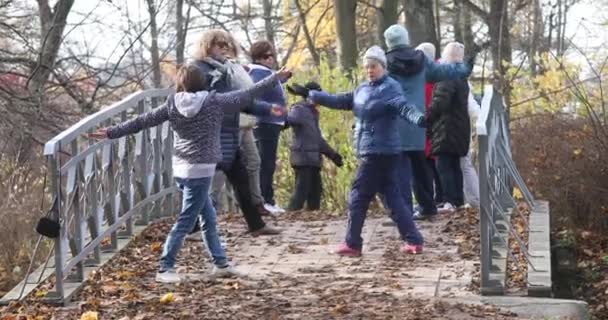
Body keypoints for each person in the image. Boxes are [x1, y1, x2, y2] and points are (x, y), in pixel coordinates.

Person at [88, 64, 291, 283]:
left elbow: (142, 121)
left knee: (209, 218)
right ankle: (165, 268)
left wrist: (111, 132)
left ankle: (220, 264)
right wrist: (275, 78)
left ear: (180, 84)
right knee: (186, 220)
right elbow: (248, 94)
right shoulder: (214, 102)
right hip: (201, 169)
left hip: (181, 168)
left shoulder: (172, 104)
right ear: (203, 82)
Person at [289, 46, 426, 256]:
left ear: (383, 67)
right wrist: (311, 94)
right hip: (374, 151)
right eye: (367, 67)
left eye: (374, 66)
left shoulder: (391, 88)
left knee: (358, 196)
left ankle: (352, 243)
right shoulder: (363, 89)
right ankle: (414, 240)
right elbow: (340, 100)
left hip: (380, 152)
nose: (370, 70)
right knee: (392, 197)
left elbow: (403, 107)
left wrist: (419, 118)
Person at [191, 29, 283, 236]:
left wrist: (267, 109)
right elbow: (198, 101)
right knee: (206, 185)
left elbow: (242, 100)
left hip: (229, 134)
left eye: (227, 44)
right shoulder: (198, 70)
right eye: (219, 44)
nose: (224, 49)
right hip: (209, 136)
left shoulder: (228, 69)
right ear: (207, 46)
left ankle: (256, 224)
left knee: (241, 179)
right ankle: (193, 228)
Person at [383, 24, 476, 221]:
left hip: (394, 123)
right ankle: (427, 207)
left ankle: (403, 213)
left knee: (400, 169)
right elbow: (444, 72)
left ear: (388, 42)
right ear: (406, 39)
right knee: (420, 167)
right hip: (418, 122)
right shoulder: (421, 60)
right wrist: (463, 67)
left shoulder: (384, 63)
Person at [284, 81, 343, 211]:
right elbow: (289, 119)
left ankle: (313, 218)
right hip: (303, 157)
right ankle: (289, 216)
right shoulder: (299, 109)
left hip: (313, 159)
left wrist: (333, 155)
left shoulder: (312, 113)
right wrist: (280, 122)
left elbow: (317, 139)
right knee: (301, 191)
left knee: (316, 192)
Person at [428, 42, 471, 213]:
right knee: (454, 166)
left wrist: (427, 116)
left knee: (444, 165)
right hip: (459, 127)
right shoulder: (461, 77)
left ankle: (449, 201)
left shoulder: (447, 76)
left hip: (447, 128)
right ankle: (458, 200)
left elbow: (440, 101)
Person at [248, 40, 288, 214]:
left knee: (268, 162)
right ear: (258, 58)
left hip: (271, 122)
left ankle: (267, 199)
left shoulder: (267, 73)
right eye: (266, 56)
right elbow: (256, 94)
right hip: (265, 122)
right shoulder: (258, 73)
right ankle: (265, 200)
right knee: (266, 163)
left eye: (271, 55)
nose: (270, 59)